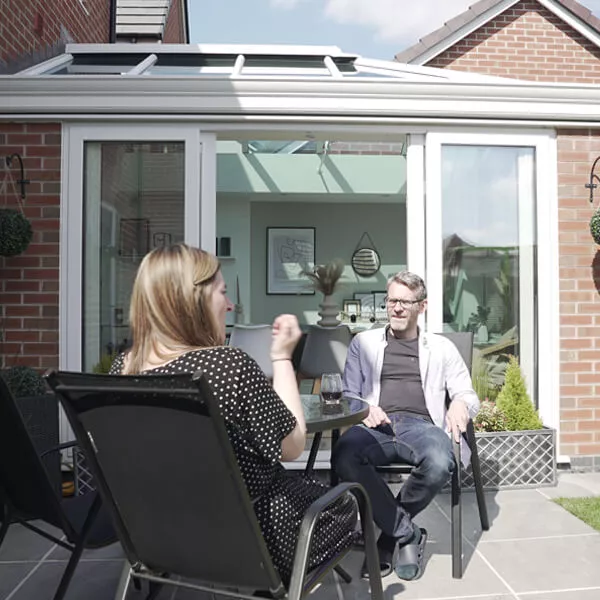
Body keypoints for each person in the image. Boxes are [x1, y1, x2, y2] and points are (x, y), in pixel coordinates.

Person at [109, 243, 357, 584]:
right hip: (253, 539)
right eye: (222, 292)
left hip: (160, 536)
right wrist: (283, 358)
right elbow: (293, 446)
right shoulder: (226, 365)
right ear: (191, 299)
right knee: (347, 505)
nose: (228, 305)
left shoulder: (124, 367)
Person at [332, 271, 479, 581]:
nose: (396, 308)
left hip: (421, 426)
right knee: (344, 455)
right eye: (392, 300)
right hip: (376, 425)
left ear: (421, 306)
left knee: (440, 462)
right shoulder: (364, 343)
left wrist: (460, 404)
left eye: (405, 302)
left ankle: (388, 536)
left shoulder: (441, 348)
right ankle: (406, 533)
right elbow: (349, 394)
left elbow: (466, 392)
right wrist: (365, 408)